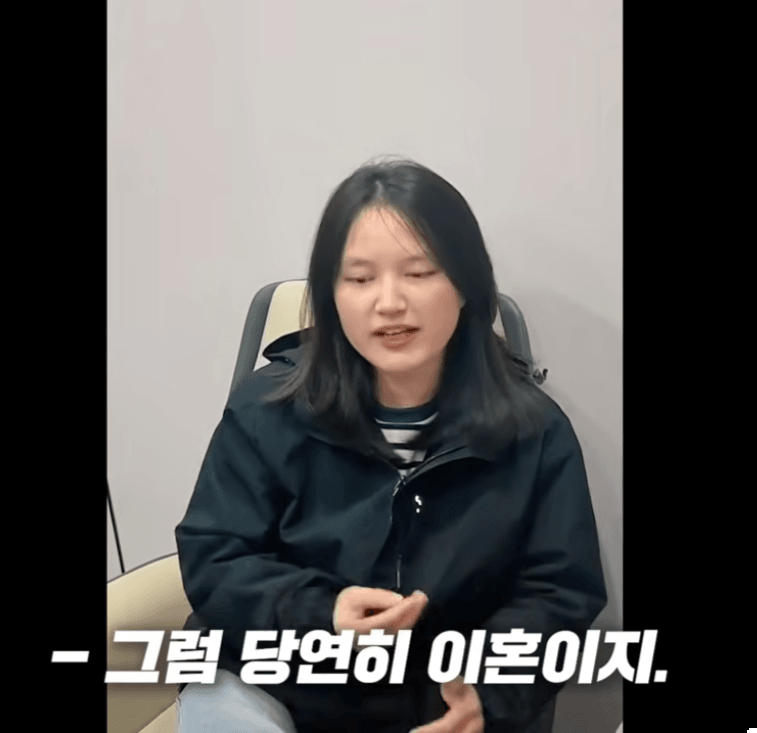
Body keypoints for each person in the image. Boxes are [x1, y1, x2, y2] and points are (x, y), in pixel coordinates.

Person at [174, 157, 607, 733]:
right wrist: (322, 612)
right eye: (359, 279)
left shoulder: (534, 431)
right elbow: (216, 556)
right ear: (331, 295)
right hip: (267, 678)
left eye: (419, 272)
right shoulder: (266, 410)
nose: (389, 302)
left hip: (435, 694)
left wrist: (490, 691)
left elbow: (559, 591)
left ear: (467, 285)